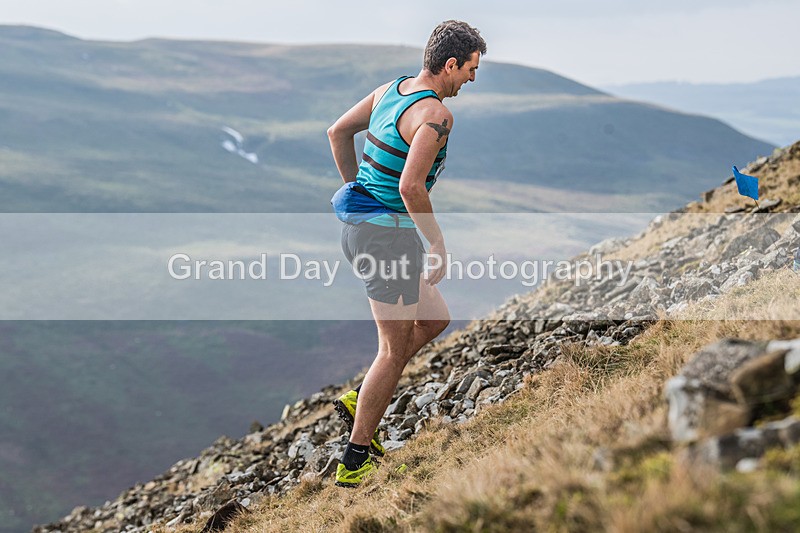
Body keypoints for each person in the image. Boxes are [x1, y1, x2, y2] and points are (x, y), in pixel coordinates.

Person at [327, 20, 486, 487]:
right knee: (393, 351)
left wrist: (356, 188)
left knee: (434, 319)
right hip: (386, 241)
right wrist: (437, 244)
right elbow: (410, 186)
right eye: (471, 70)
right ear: (450, 64)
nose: (472, 80)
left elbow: (337, 132)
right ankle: (355, 461)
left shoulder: (389, 90)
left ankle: (363, 397)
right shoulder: (436, 115)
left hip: (369, 231)